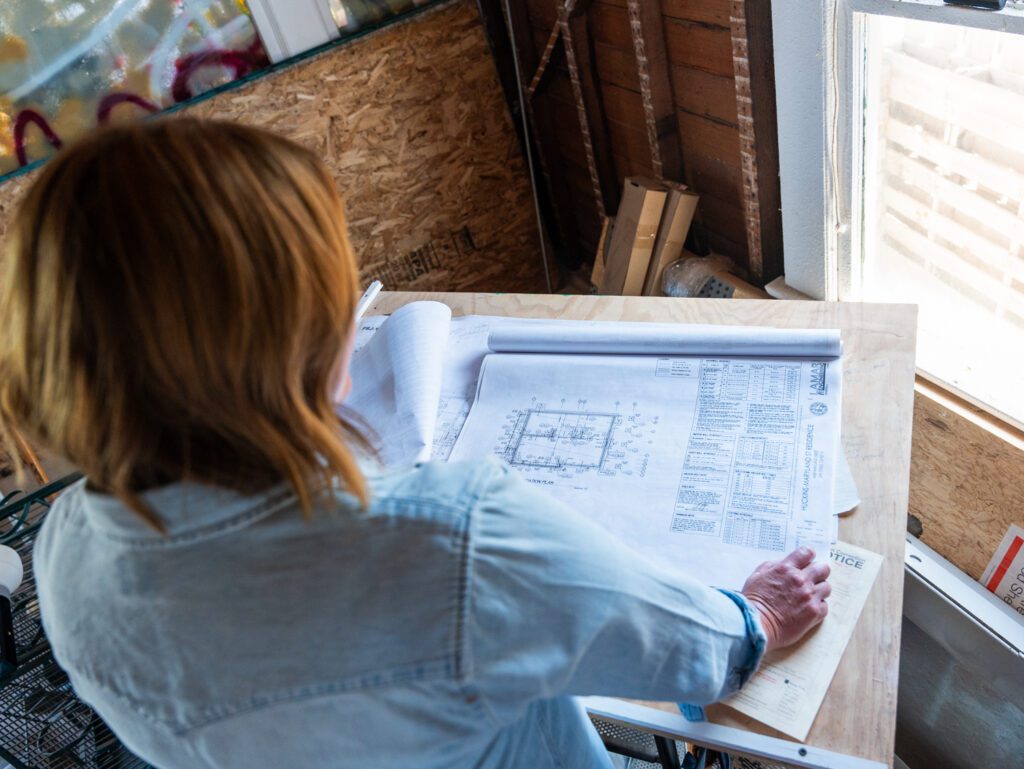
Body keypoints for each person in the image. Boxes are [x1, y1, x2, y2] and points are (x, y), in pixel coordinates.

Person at [0, 119, 830, 769]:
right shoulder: (449, 540)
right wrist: (757, 614)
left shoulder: (63, 551)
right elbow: (692, 649)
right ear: (291, 342)